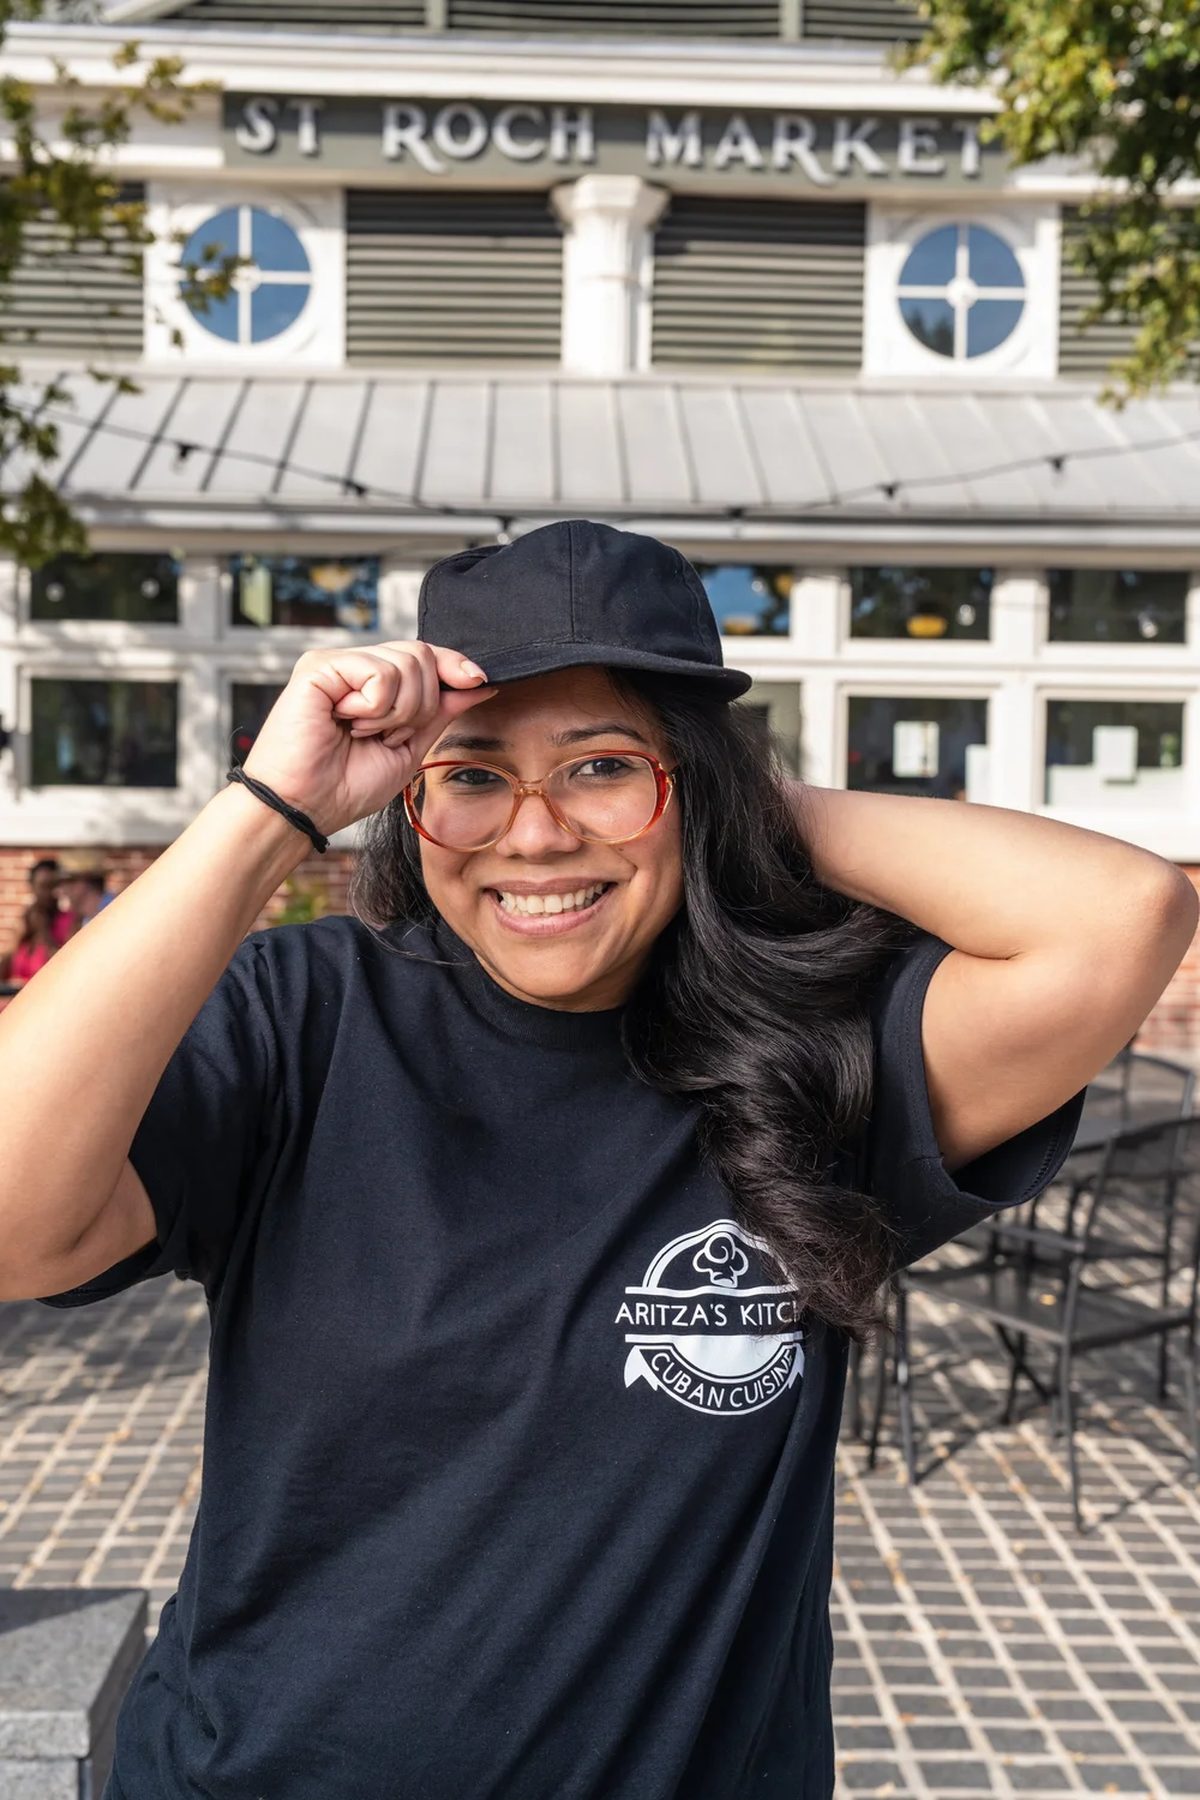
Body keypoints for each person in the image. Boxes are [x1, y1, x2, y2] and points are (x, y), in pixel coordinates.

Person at [0, 520, 1193, 1800]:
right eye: (471, 775)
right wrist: (271, 814)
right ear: (408, 799)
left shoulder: (824, 1058)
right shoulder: (307, 1014)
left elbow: (1127, 915)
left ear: (696, 780)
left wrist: (735, 804)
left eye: (603, 767)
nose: (536, 834)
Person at [0, 857, 74, 983]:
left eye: (53, 886)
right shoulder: (26, 920)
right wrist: (17, 938)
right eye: (43, 886)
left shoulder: (69, 921)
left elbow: (67, 969)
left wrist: (44, 932)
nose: (49, 893)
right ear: (32, 887)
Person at [52, 849, 115, 928]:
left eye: (65, 882)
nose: (59, 891)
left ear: (82, 882)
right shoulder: (88, 919)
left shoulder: (116, 914)